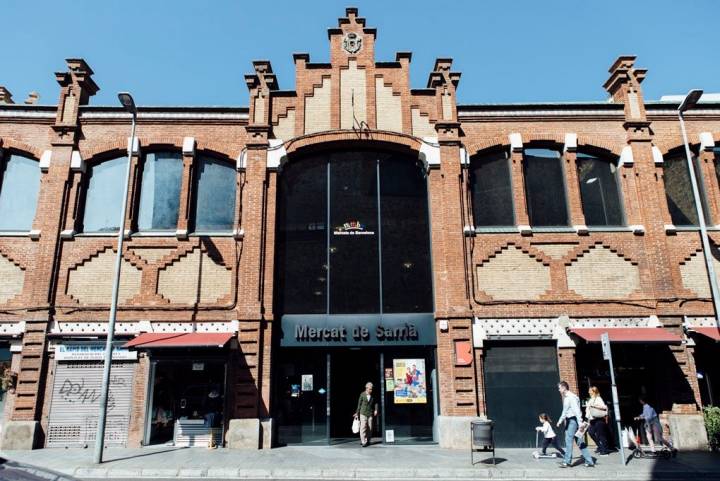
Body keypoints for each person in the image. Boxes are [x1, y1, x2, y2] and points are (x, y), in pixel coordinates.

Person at [556, 380, 595, 468]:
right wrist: (560, 421)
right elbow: (565, 411)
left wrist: (580, 423)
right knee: (579, 441)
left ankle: (567, 461)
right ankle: (589, 461)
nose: (558, 390)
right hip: (570, 421)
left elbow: (577, 411)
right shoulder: (566, 397)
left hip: (573, 421)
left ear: (564, 387)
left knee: (568, 440)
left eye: (559, 388)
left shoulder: (571, 397)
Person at [585, 386, 611, 455]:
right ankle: (600, 446)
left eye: (590, 391)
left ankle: (605, 450)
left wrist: (595, 406)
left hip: (599, 419)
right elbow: (588, 411)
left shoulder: (598, 398)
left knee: (601, 435)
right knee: (591, 432)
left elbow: (604, 407)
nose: (588, 392)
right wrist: (587, 420)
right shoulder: (590, 399)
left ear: (594, 391)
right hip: (592, 420)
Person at [354, 382, 378, 447]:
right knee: (363, 427)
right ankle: (363, 441)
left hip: (370, 413)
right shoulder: (362, 394)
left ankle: (368, 440)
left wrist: (376, 410)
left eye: (372, 389)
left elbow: (375, 403)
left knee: (370, 428)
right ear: (366, 388)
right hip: (363, 413)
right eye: (370, 389)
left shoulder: (373, 395)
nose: (371, 390)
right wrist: (357, 412)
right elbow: (359, 404)